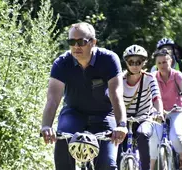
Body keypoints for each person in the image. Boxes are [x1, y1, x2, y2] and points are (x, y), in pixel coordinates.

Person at [40, 22, 128, 170]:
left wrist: (121, 125)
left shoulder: (109, 59)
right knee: (63, 147)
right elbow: (53, 100)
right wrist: (46, 125)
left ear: (93, 42)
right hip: (74, 113)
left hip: (104, 115)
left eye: (81, 42)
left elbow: (116, 94)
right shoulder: (62, 63)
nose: (76, 46)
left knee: (107, 164)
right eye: (71, 42)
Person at [117, 45, 164, 170]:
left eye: (138, 62)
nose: (134, 65)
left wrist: (159, 113)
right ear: (126, 62)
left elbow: (156, 98)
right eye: (131, 62)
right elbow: (112, 97)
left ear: (144, 62)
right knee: (115, 143)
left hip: (144, 118)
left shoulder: (149, 78)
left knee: (142, 134)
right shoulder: (119, 79)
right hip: (123, 119)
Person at [149, 49, 182, 170]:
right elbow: (148, 95)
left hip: (177, 110)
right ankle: (151, 166)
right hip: (159, 112)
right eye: (159, 63)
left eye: (164, 62)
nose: (162, 66)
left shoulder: (177, 75)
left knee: (175, 135)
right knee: (154, 138)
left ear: (170, 61)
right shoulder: (152, 77)